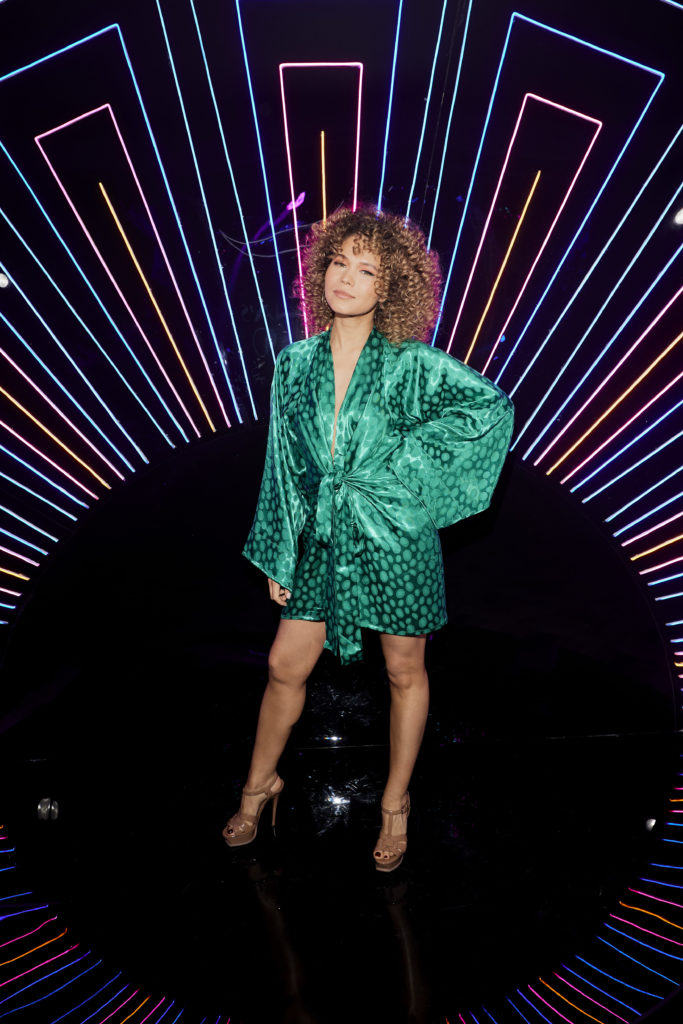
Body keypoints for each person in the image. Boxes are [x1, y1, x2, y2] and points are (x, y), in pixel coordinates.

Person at [223, 206, 513, 871]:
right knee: (283, 666)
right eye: (338, 262)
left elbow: (489, 409)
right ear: (319, 269)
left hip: (395, 535)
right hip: (324, 535)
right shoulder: (295, 363)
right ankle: (259, 785)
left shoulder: (411, 363)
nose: (346, 278)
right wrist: (281, 552)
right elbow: (282, 466)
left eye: (366, 269)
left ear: (390, 288)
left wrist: (403, 469)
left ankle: (394, 802)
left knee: (404, 671)